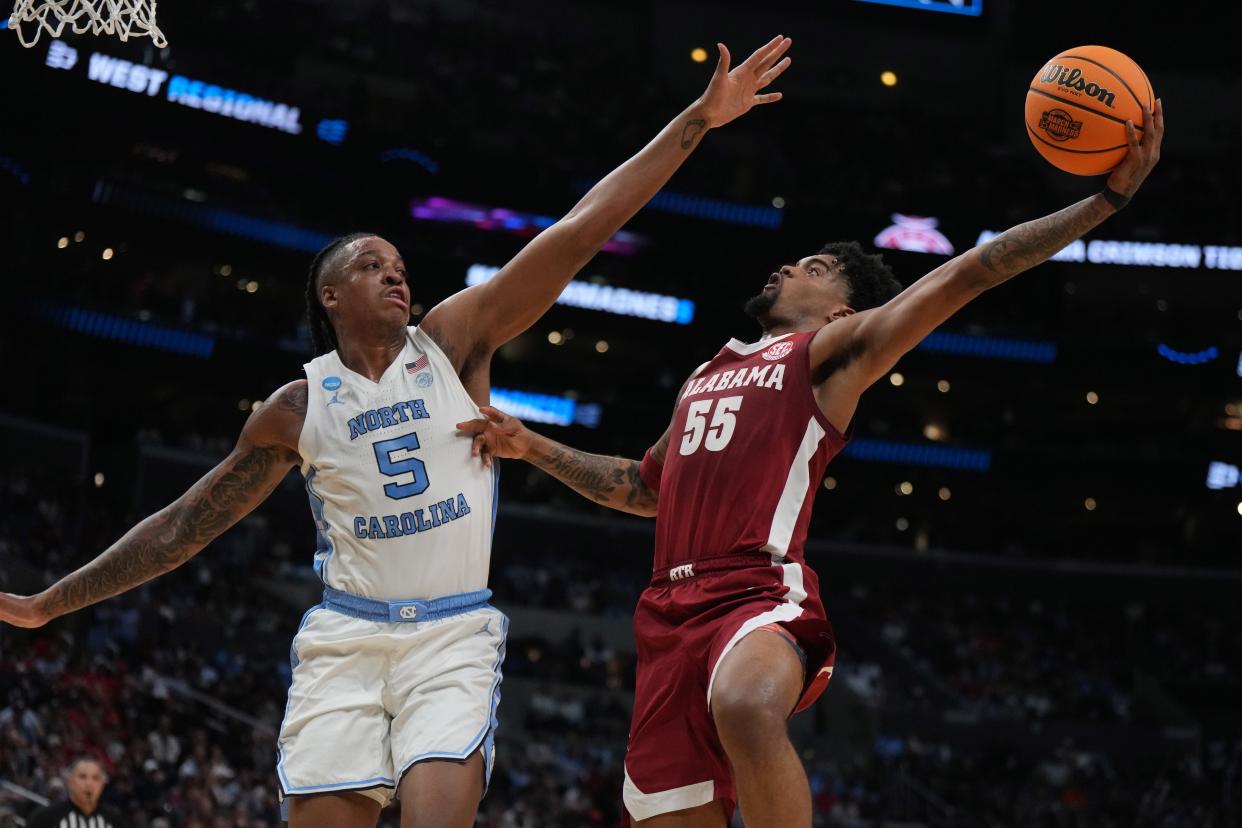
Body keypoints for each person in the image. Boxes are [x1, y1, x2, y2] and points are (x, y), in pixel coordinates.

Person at [0, 37, 794, 828]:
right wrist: (46, 604)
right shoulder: (296, 407)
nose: (396, 272)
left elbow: (582, 230)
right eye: (373, 264)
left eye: (400, 265)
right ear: (330, 296)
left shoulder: (452, 341)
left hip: (451, 636)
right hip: (347, 640)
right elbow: (182, 527)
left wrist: (699, 118)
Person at [458, 102, 1165, 827]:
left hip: (758, 592)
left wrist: (1103, 202)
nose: (790, 264)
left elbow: (972, 271)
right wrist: (531, 444)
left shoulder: (827, 356)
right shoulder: (706, 372)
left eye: (815, 268)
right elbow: (643, 489)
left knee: (746, 704)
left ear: (839, 313)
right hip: (665, 616)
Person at [26, 757, 127, 828]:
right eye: (82, 777)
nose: (89, 784)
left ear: (102, 785)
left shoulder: (115, 821)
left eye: (96, 778)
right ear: (70, 781)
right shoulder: (44, 819)